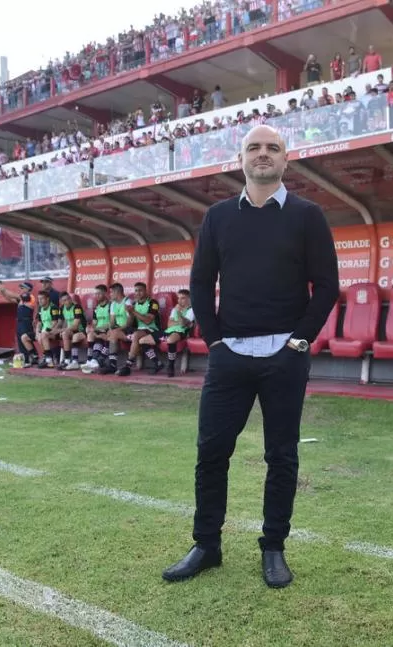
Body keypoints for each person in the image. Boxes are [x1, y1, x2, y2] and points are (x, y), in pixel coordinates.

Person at [162, 124, 339, 589]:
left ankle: (274, 548)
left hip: (285, 355)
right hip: (230, 357)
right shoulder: (218, 217)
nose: (263, 154)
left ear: (286, 160)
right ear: (240, 159)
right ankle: (207, 545)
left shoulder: (307, 215)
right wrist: (215, 341)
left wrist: (298, 343)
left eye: (272, 148)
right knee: (211, 452)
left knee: (281, 455)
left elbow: (327, 287)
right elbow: (201, 283)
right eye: (254, 148)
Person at [0, 280, 37, 366]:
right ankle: (26, 360)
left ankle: (33, 357)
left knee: (25, 339)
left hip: (26, 322)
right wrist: (2, 292)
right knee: (20, 342)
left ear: (28, 289)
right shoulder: (21, 299)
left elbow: (15, 295)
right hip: (20, 322)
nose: (21, 289)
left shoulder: (29, 296)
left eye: (23, 287)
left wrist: (4, 289)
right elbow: (9, 298)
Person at [163, 289, 195, 377]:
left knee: (170, 340)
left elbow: (183, 324)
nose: (179, 301)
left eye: (183, 298)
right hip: (169, 331)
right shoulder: (174, 309)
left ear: (189, 299)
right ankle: (157, 363)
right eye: (178, 298)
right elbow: (169, 324)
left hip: (182, 332)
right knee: (143, 340)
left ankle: (171, 366)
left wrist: (179, 313)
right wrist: (177, 318)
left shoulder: (191, 310)